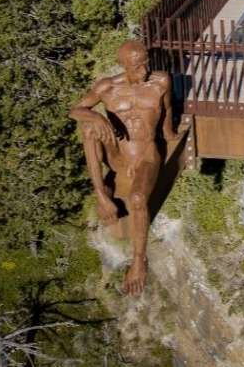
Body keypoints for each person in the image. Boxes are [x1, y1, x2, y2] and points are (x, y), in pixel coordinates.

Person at [69, 40, 176, 295]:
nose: (145, 70)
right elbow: (75, 110)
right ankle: (101, 195)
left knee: (138, 198)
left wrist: (171, 134)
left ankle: (139, 259)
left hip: (147, 154)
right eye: (138, 65)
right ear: (124, 64)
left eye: (146, 62)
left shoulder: (160, 82)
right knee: (88, 127)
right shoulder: (108, 87)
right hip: (119, 154)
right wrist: (94, 115)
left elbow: (168, 111)